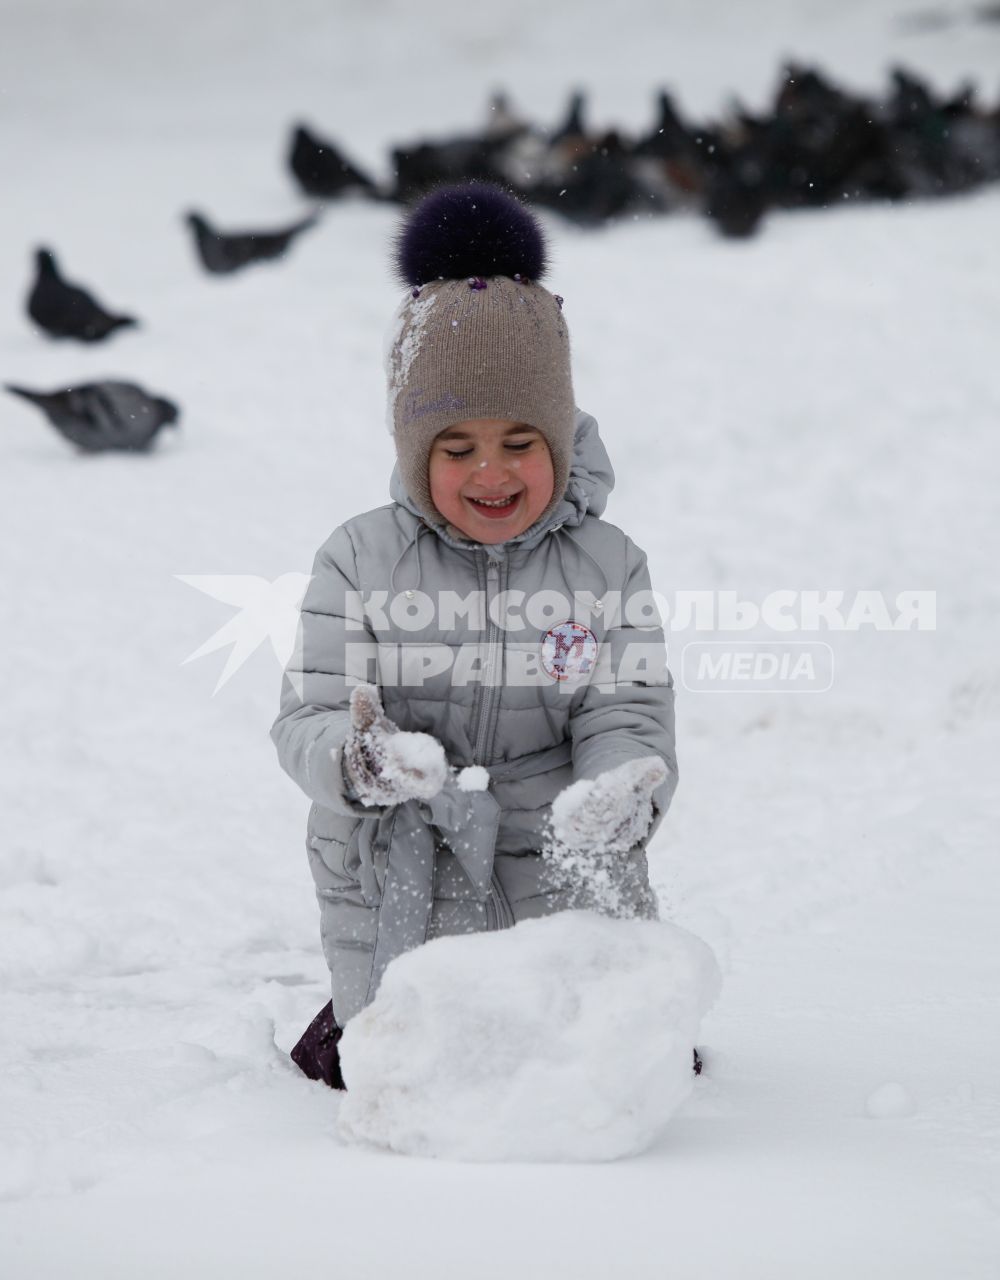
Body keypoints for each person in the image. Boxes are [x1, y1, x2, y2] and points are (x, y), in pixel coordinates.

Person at [272, 182, 679, 1089]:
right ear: (417, 453)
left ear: (562, 442)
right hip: (400, 878)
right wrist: (357, 759)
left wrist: (617, 791)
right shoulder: (358, 558)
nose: (490, 472)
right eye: (455, 449)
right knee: (414, 1072)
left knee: (596, 1069)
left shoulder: (609, 566)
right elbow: (310, 712)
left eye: (520, 442)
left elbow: (629, 706)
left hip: (559, 865)